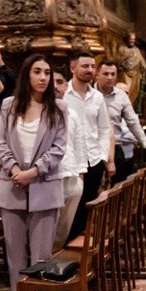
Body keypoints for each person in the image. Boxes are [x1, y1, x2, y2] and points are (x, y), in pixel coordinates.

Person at [0, 54, 67, 291]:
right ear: (26, 75)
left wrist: (33, 172)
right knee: (14, 252)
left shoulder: (58, 108)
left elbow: (58, 149)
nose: (43, 77)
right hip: (11, 185)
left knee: (40, 254)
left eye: (47, 72)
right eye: (37, 71)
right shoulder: (9, 106)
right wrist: (14, 169)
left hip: (44, 185)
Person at [63, 51, 112, 243]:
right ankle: (62, 248)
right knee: (68, 209)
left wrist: (102, 157)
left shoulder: (97, 97)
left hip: (93, 159)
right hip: (71, 162)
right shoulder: (62, 94)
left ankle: (75, 254)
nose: (90, 70)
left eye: (92, 66)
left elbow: (104, 129)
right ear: (72, 68)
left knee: (86, 207)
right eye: (85, 66)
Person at [95, 60, 146, 185]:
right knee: (92, 194)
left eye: (113, 74)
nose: (110, 78)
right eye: (106, 74)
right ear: (97, 74)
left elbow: (133, 122)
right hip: (94, 149)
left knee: (116, 192)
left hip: (116, 147)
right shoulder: (89, 94)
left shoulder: (121, 96)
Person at [52, 66, 87, 252]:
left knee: (63, 229)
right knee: (48, 227)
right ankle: (40, 265)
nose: (55, 86)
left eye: (59, 82)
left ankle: (54, 259)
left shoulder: (72, 114)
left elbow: (79, 146)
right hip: (50, 178)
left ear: (66, 86)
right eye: (52, 82)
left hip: (72, 177)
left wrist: (80, 178)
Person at [118, 32, 146, 106]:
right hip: (125, 73)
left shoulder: (136, 49)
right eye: (131, 39)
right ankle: (125, 106)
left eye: (133, 40)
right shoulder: (122, 49)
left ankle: (131, 107)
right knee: (127, 89)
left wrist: (143, 64)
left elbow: (140, 59)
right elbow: (116, 61)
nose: (132, 41)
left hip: (136, 73)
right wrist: (124, 58)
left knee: (135, 91)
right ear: (127, 39)